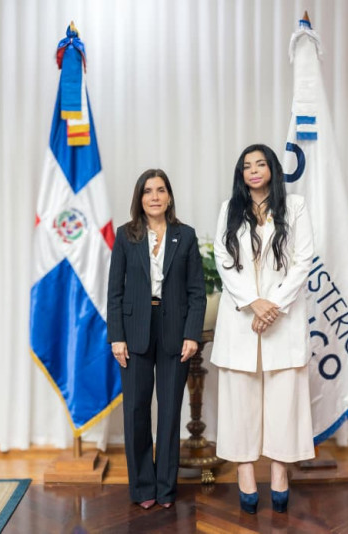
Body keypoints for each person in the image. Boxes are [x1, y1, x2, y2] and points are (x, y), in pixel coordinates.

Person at [211, 144, 316, 514]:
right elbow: (224, 262)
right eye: (246, 166)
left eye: (260, 164)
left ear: (272, 168)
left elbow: (303, 261)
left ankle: (279, 472)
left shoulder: (296, 206)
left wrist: (272, 305)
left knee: (284, 399)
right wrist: (253, 302)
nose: (253, 170)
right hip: (241, 316)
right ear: (241, 175)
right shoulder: (229, 209)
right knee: (240, 399)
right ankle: (244, 471)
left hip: (282, 318)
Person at [107, 169, 206, 510]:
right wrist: (116, 337)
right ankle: (143, 488)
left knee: (168, 414)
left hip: (175, 335)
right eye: (148, 191)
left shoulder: (186, 236)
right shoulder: (125, 236)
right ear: (139, 198)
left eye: (160, 190)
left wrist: (192, 334)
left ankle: (165, 488)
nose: (154, 196)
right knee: (135, 411)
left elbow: (197, 292)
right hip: (133, 334)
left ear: (169, 196)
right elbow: (114, 292)